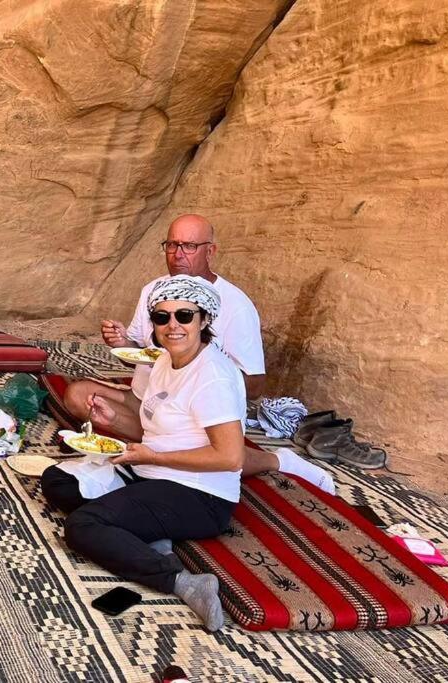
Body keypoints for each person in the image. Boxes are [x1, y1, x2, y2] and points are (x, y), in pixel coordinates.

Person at [66, 214, 330, 491]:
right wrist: (122, 343)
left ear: (210, 251)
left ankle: (271, 460)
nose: (178, 254)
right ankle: (157, 449)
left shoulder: (235, 305)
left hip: (194, 415)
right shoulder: (153, 291)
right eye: (172, 245)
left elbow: (255, 386)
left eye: (189, 246)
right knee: (78, 396)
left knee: (190, 442)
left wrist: (199, 369)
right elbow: (139, 356)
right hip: (147, 398)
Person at [42, 275, 243, 632]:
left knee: (83, 525)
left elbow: (229, 457)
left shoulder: (213, 377)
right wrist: (113, 420)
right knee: (58, 482)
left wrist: (151, 457)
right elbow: (156, 429)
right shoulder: (165, 360)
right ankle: (152, 535)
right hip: (153, 473)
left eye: (184, 315)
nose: (172, 326)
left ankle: (182, 580)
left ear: (205, 320)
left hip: (199, 494)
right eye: (161, 317)